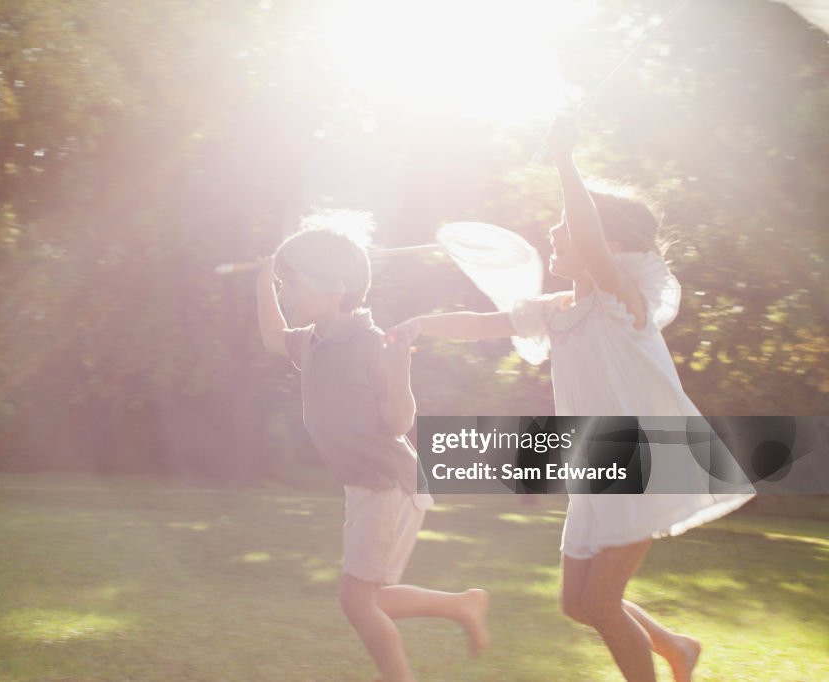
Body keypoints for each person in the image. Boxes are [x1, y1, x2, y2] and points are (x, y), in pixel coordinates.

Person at [390, 120, 754, 682]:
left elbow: (584, 231)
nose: (555, 232)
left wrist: (566, 161)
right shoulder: (557, 309)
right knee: (578, 605)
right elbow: (480, 323)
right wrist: (418, 325)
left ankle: (668, 661)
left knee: (603, 605)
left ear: (606, 244)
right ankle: (676, 647)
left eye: (566, 224)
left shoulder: (620, 301)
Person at [256, 213, 489, 682]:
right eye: (283, 285)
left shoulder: (370, 342)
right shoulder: (315, 340)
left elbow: (399, 421)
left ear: (336, 288)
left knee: (355, 600)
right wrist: (264, 277)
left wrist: (400, 365)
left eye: (292, 283)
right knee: (372, 597)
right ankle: (462, 605)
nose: (286, 294)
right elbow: (271, 338)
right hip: (365, 486)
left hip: (388, 484)